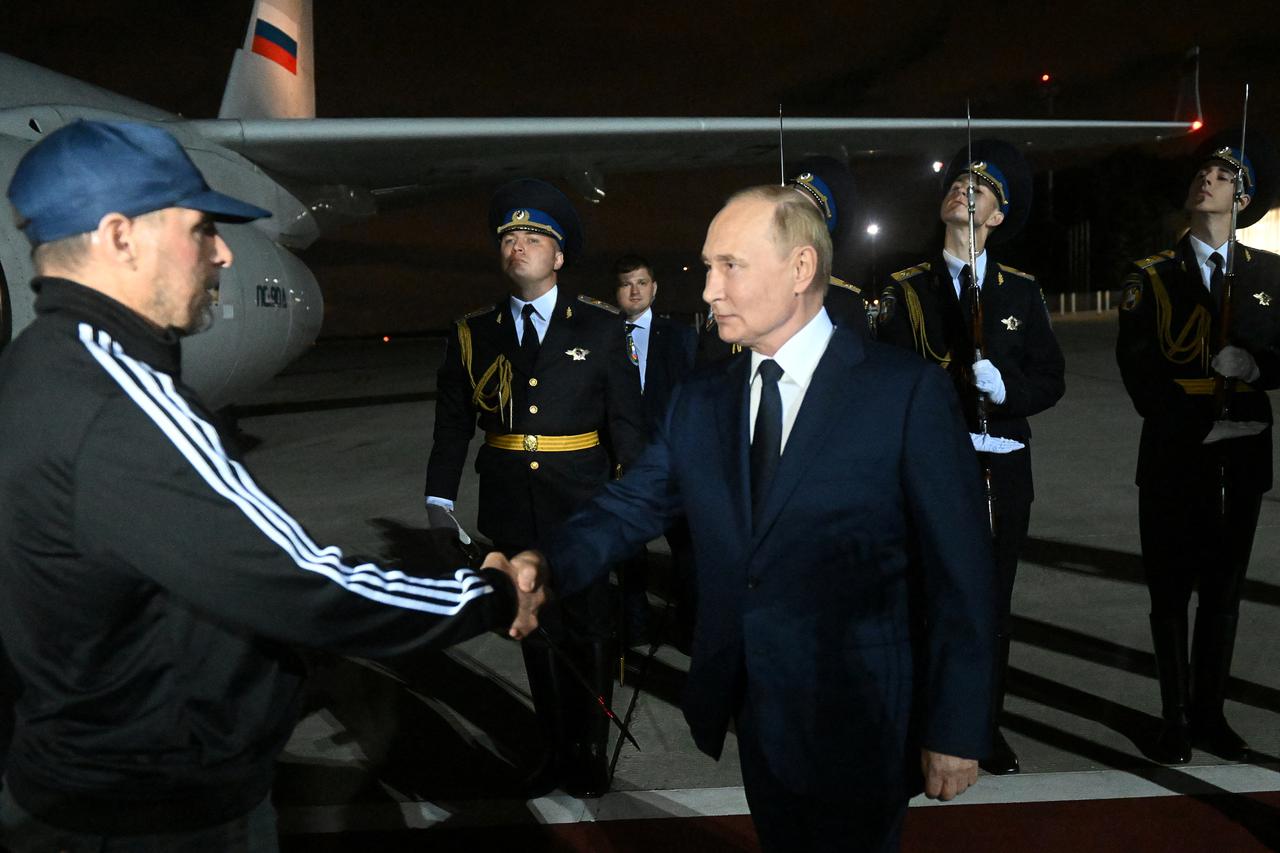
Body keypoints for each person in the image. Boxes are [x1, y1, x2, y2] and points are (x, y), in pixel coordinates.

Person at [0, 119, 544, 850]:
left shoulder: (35, 367)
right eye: (199, 228)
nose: (223, 251)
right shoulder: (123, 403)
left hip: (70, 781)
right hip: (161, 813)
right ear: (120, 237)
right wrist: (490, 592)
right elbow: (307, 584)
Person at [527, 184, 997, 852]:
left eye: (730, 266)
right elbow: (630, 506)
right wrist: (544, 567)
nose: (710, 289)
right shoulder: (702, 399)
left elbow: (963, 574)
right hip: (758, 712)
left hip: (862, 713)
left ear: (801, 269)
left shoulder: (903, 393)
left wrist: (954, 724)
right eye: (708, 267)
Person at [423, 179, 647, 796]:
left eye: (534, 236)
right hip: (510, 506)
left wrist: (635, 509)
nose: (518, 245)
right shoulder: (474, 332)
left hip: (584, 501)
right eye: (509, 236)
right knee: (536, 626)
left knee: (591, 623)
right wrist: (439, 503)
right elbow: (452, 427)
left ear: (560, 255)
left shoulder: (601, 328)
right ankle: (553, 748)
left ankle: (591, 750)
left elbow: (626, 430)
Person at [876, 139, 1065, 775]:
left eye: (979, 187)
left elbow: (1051, 376)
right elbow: (891, 380)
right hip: (936, 467)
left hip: (1004, 463)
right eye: (958, 181)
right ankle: (928, 727)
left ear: (998, 215)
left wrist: (1008, 392)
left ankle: (985, 725)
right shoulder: (908, 289)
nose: (964, 189)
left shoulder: (1022, 292)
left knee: (992, 602)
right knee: (928, 599)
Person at [1116, 130, 1279, 764]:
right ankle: (1175, 716)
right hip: (1174, 460)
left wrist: (1258, 370)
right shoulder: (1152, 276)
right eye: (1203, 171)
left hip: (1241, 465)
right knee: (1169, 593)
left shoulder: (1268, 275)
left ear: (1243, 200)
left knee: (1224, 594)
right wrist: (1199, 427)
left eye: (1222, 175)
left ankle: (1213, 713)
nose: (1205, 179)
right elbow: (1141, 373)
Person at [697, 155, 870, 364]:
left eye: (803, 216)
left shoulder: (843, 306)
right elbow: (712, 365)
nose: (710, 294)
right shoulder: (735, 286)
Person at [613, 254, 697, 648]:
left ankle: (691, 627)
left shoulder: (679, 336)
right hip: (622, 462)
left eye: (642, 282)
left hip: (673, 462)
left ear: (654, 288)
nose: (635, 290)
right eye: (627, 283)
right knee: (630, 551)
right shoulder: (603, 337)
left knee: (686, 549)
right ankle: (635, 628)